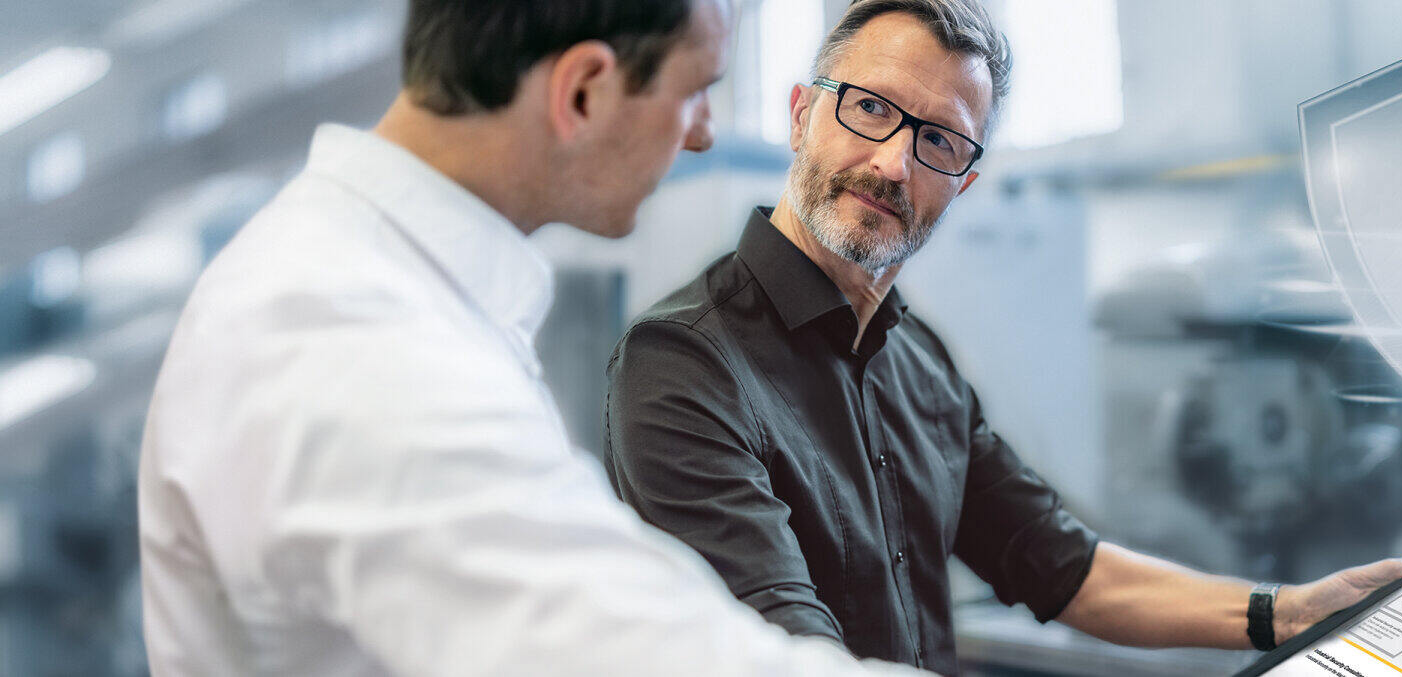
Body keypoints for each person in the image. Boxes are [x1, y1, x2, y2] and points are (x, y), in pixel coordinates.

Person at [601, 1, 1402, 674]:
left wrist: (1283, 610)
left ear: (964, 182)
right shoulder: (683, 364)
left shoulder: (919, 365)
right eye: (873, 108)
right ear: (802, 114)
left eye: (939, 141)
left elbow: (1063, 566)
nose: (894, 164)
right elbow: (785, 652)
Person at [138, 1, 922, 674]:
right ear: (582, 91)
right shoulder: (349, 340)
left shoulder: (383, 284)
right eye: (695, 92)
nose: (703, 135)